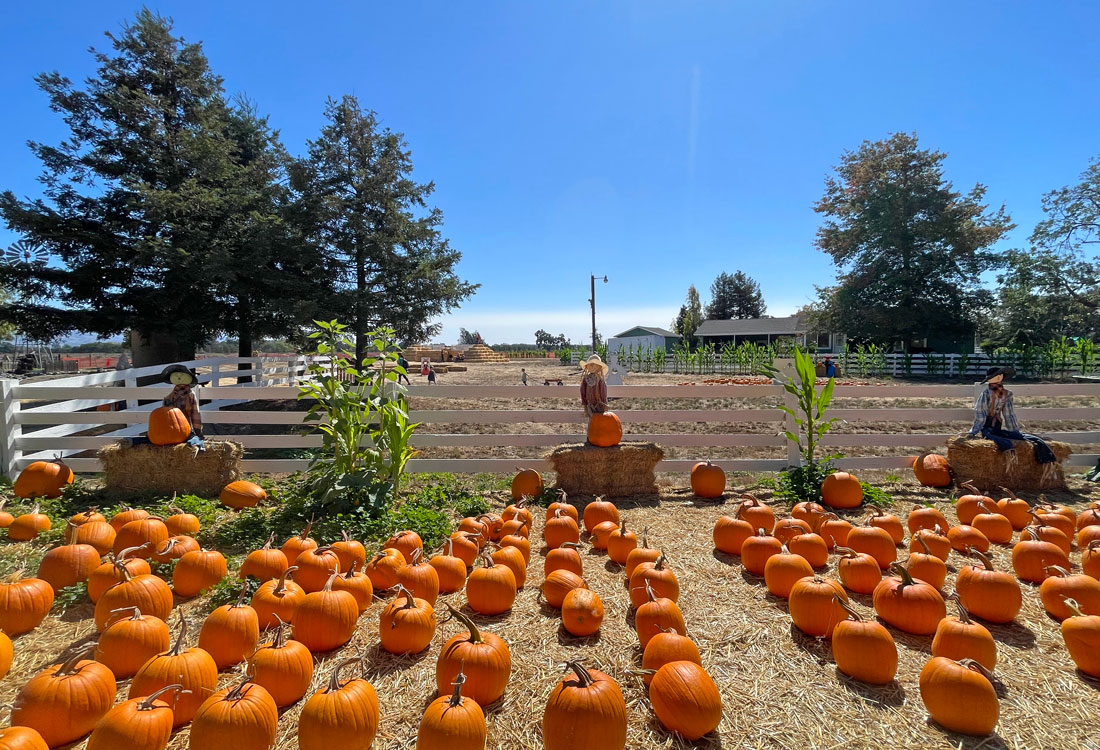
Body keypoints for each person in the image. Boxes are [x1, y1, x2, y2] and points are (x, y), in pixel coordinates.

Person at [967, 366, 1055, 469]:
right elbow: (981, 414)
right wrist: (974, 432)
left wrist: (1014, 431)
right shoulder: (986, 395)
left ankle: (1042, 451)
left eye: (999, 375)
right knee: (1001, 439)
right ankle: (1009, 446)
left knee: (1020, 437)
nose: (998, 377)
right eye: (995, 376)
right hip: (987, 427)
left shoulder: (1006, 394)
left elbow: (1008, 414)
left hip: (995, 427)